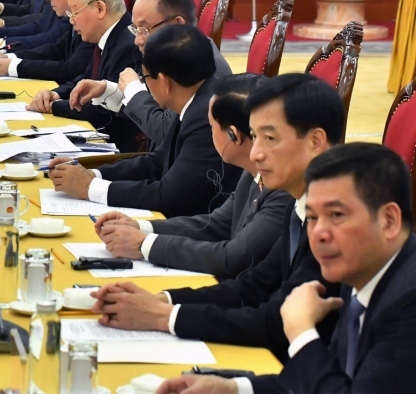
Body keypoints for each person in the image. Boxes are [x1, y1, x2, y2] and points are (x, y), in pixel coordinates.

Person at [92, 74, 346, 362]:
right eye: (256, 136)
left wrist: (165, 315)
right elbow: (253, 286)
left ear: (315, 141)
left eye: (270, 138)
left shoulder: (337, 220)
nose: (257, 153)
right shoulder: (301, 198)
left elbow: (274, 320)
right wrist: (161, 300)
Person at [156, 143, 415, 394]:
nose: (319, 234)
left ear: (389, 220)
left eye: (337, 215)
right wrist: (234, 388)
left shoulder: (408, 302)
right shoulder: (364, 267)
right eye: (312, 217)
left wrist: (301, 332)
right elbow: (330, 381)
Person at [93, 74, 294, 278]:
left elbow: (232, 258)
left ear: (233, 134)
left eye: (211, 126)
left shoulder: (283, 189)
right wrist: (140, 227)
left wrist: (144, 244)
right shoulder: (252, 173)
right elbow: (217, 225)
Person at [46, 25, 240, 217]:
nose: (143, 82)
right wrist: (92, 174)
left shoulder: (205, 116)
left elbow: (168, 197)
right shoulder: (196, 98)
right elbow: (157, 162)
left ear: (164, 81)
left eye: (144, 76)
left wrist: (90, 188)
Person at [69, 0, 232, 149]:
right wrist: (108, 90)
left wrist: (132, 89)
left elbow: (165, 131)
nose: (138, 40)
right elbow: (153, 106)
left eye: (145, 29)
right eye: (135, 29)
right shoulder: (173, 58)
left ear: (177, 25)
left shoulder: (207, 69)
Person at [24, 0, 142, 151]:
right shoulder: (106, 34)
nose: (71, 21)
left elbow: (101, 111)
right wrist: (55, 93)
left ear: (100, 9)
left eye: (74, 12)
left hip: (114, 150)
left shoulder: (129, 46)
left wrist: (52, 106)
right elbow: (84, 80)